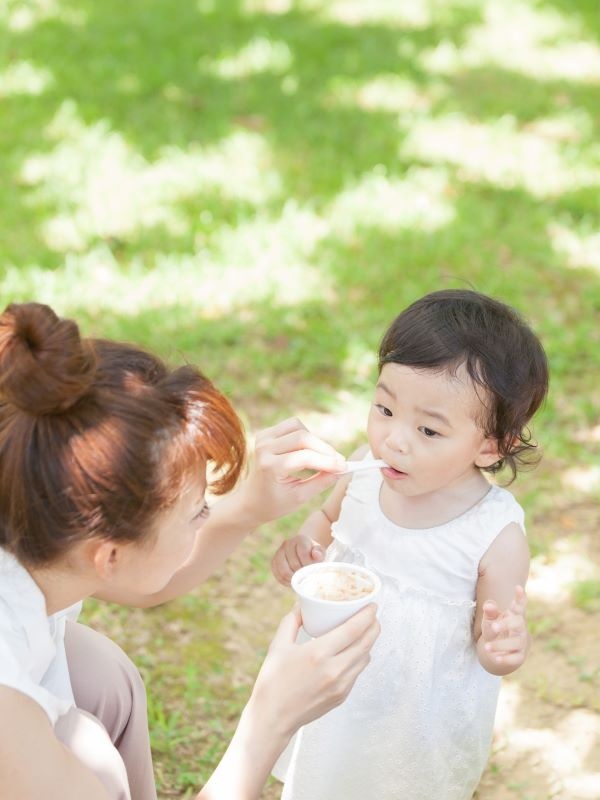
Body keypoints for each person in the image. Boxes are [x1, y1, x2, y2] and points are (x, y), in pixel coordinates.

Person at [0, 301, 381, 800]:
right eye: (196, 512)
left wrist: (247, 508)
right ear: (108, 555)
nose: (207, 515)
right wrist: (269, 719)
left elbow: (145, 580)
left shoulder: (31, 517)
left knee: (103, 678)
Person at [271, 289, 549, 800]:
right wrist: (303, 545)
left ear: (490, 447)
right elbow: (325, 519)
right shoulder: (359, 474)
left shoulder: (493, 534)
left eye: (427, 429)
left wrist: (505, 647)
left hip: (417, 720)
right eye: (384, 408)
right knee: (327, 774)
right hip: (337, 683)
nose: (394, 440)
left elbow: (491, 646)